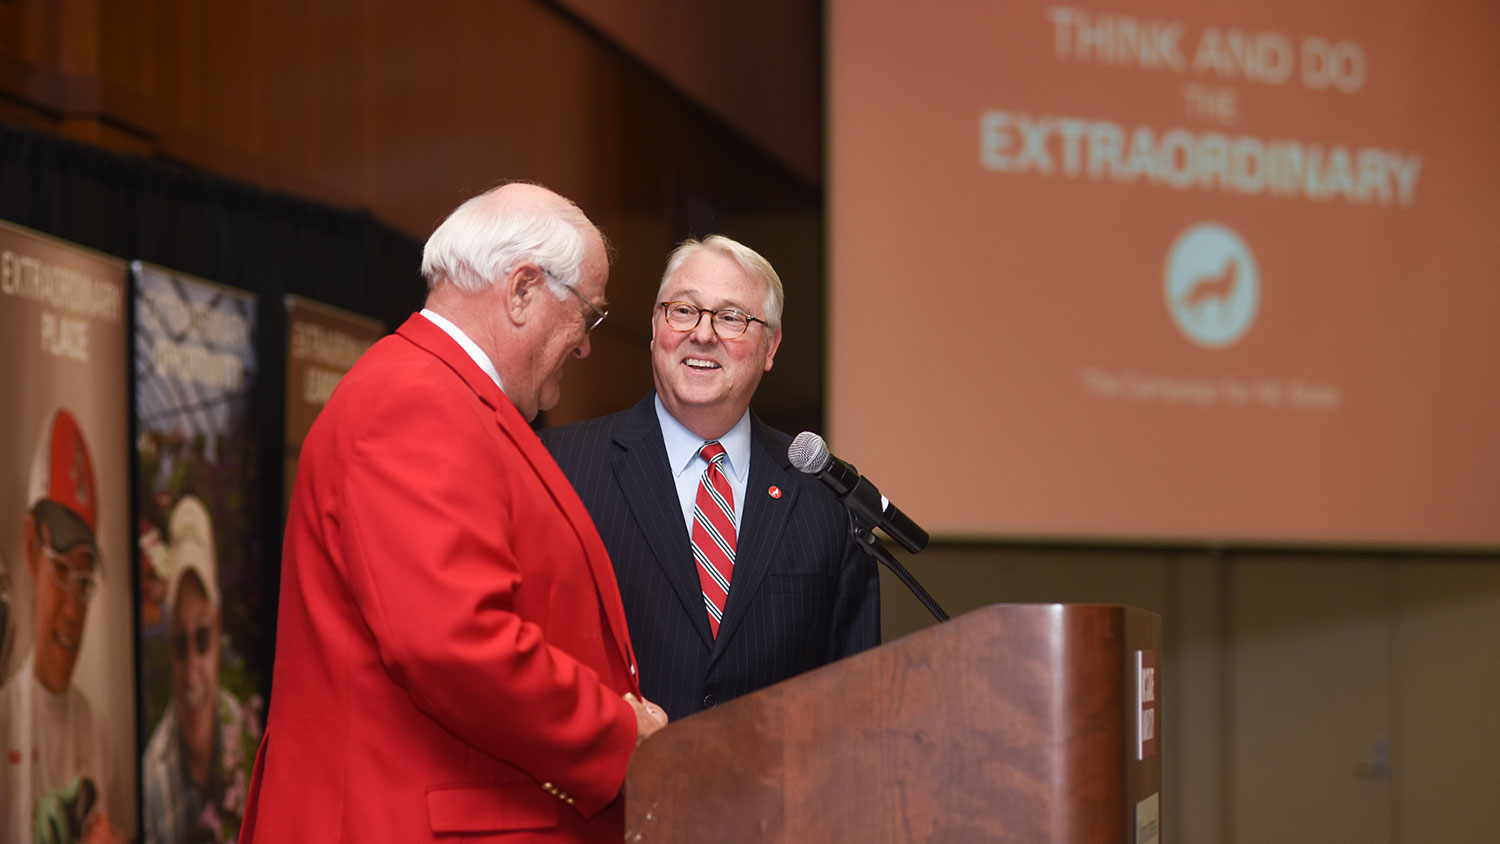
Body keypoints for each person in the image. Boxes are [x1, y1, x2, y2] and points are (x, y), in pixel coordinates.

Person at [238, 182, 666, 844]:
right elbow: (456, 644)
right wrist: (618, 735)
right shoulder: (417, 401)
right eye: (589, 314)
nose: (585, 346)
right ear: (522, 291)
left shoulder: (445, 396)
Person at [541, 235, 880, 722]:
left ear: (770, 347)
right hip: (612, 790)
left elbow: (856, 700)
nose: (702, 334)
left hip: (772, 793)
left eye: (731, 317)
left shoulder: (824, 496)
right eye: (683, 311)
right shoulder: (561, 467)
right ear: (656, 328)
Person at [0, 408, 125, 844]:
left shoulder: (99, 735)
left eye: (85, 580)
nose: (73, 610)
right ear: (31, 549)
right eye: (60, 570)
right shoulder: (5, 716)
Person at [142, 495, 261, 844]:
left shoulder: (246, 732)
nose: (192, 673)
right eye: (180, 644)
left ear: (219, 627)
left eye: (203, 638)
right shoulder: (152, 780)